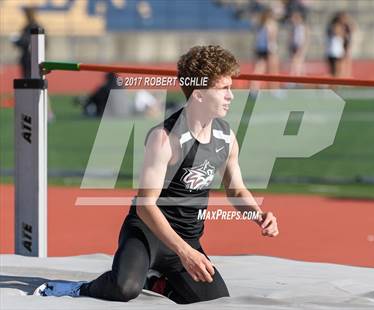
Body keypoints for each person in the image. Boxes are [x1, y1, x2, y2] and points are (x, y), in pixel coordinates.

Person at [34, 45, 278, 304]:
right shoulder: (164, 138)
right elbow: (145, 206)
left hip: (187, 239)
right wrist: (185, 252)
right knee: (125, 288)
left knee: (215, 301)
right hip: (147, 235)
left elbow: (236, 189)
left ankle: (158, 283)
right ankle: (79, 288)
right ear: (198, 94)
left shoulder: (226, 137)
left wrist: (257, 214)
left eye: (231, 87)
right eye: (223, 89)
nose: (231, 95)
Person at [252, 8, 279, 90]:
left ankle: (254, 88)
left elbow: (257, 38)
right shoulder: (271, 24)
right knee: (273, 70)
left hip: (260, 48)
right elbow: (271, 38)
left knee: (259, 68)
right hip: (269, 48)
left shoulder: (260, 24)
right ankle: (274, 89)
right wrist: (272, 49)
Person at [13, 7, 41, 78]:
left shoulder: (32, 27)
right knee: (29, 80)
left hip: (31, 58)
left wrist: (17, 41)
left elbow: (27, 41)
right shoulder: (32, 26)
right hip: (31, 57)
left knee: (29, 80)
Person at [288, 10, 308, 77]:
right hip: (294, 46)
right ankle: (296, 77)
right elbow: (291, 37)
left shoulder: (303, 27)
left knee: (298, 62)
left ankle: (299, 77)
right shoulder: (294, 27)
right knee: (295, 62)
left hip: (300, 46)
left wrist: (302, 48)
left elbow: (305, 38)